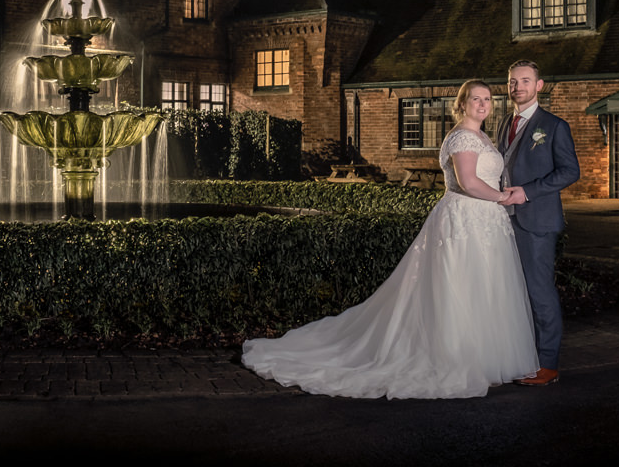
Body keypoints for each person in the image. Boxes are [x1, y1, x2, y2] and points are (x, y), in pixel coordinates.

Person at [241, 80, 539, 400]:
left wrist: (499, 198)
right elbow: (467, 182)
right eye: (475, 99)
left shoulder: (482, 136)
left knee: (486, 286)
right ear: (461, 104)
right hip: (465, 218)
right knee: (460, 286)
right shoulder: (463, 136)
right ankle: (456, 356)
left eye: (487, 99)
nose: (482, 104)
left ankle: (484, 356)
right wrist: (503, 198)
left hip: (488, 222)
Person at [499, 60, 580, 386]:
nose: (517, 86)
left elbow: (570, 172)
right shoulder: (506, 122)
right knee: (513, 293)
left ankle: (547, 365)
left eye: (525, 81)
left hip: (537, 222)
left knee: (539, 292)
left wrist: (527, 193)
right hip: (505, 221)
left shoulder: (555, 125)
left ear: (539, 85)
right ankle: (521, 359)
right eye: (512, 81)